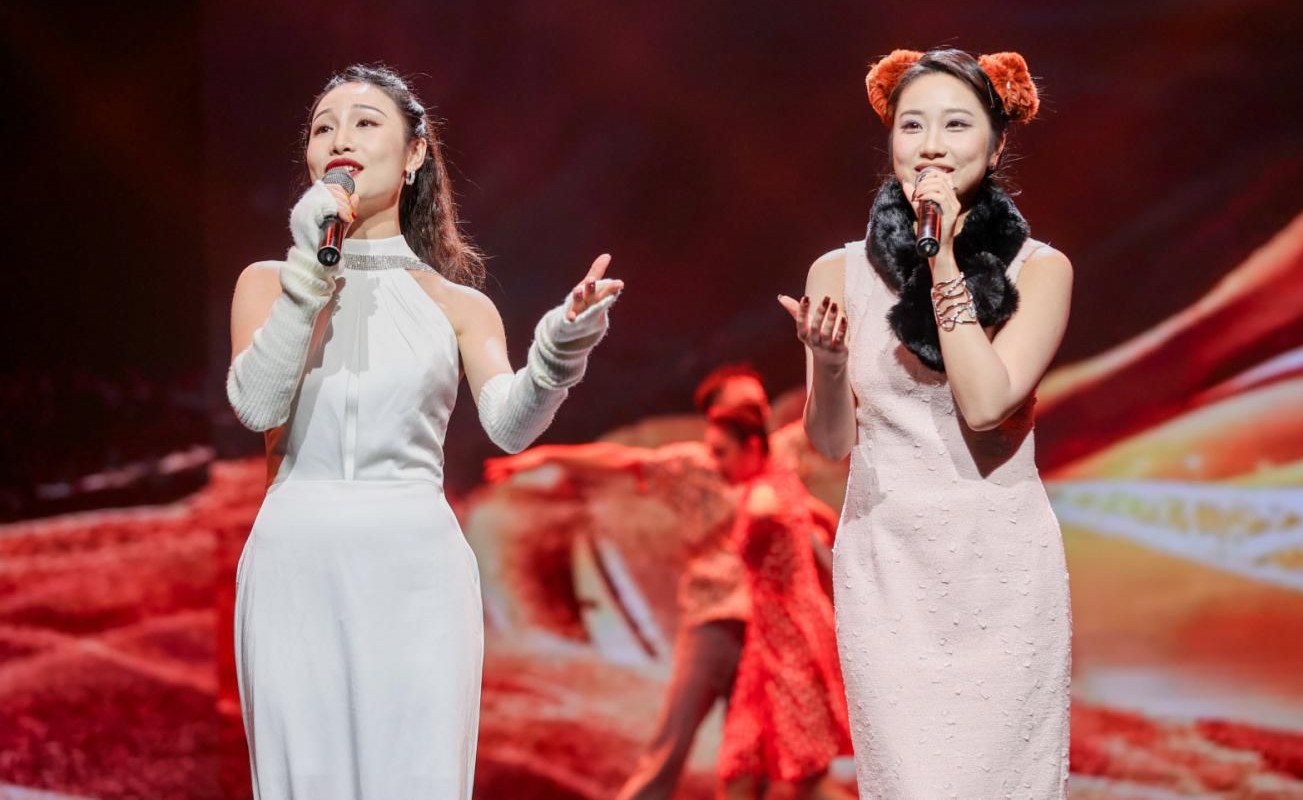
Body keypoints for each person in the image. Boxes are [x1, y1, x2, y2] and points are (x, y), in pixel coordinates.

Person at [226, 64, 621, 800]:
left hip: (416, 571)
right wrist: (310, 273)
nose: (340, 138)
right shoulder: (267, 283)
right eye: (323, 127)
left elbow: (509, 425)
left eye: (365, 122)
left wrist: (560, 349)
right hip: (295, 565)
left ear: (414, 155)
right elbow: (258, 404)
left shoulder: (458, 306)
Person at [778, 47, 1073, 798]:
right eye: (912, 125)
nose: (931, 145)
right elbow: (831, 443)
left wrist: (940, 260)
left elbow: (985, 402)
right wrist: (829, 362)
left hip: (1000, 569)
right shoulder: (837, 272)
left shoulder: (1042, 270)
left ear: (996, 146)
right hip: (888, 568)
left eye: (955, 125)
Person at [485, 364, 837, 800]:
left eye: (761, 406)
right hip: (714, 621)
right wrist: (547, 456)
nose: (759, 414)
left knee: (755, 760)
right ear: (717, 417)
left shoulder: (779, 459)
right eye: (746, 406)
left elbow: (822, 436)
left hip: (770, 634)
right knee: (673, 744)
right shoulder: (697, 464)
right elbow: (624, 460)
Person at [705, 403, 850, 800]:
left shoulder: (766, 488)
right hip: (764, 646)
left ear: (752, 447)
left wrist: (762, 508)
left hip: (792, 644)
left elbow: (766, 506)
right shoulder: (782, 479)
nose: (715, 464)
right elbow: (819, 518)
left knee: (806, 778)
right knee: (738, 764)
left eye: (721, 453)